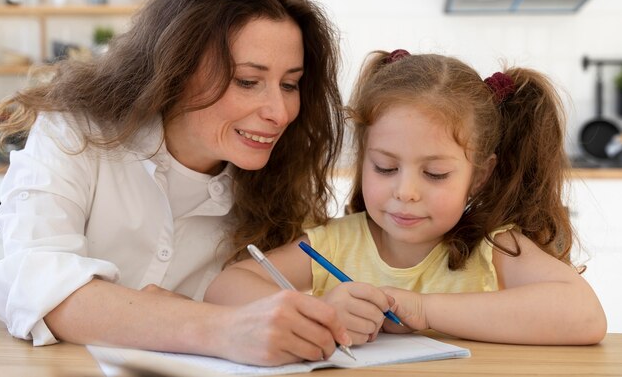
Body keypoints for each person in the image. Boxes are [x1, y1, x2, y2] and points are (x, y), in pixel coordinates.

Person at [0, 0, 354, 367]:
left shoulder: (279, 177)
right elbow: (34, 282)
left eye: (290, 85)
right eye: (248, 81)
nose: (280, 111)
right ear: (176, 67)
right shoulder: (74, 132)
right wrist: (221, 328)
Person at [205, 50, 607, 346]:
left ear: (479, 176)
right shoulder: (334, 243)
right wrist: (324, 309)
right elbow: (225, 288)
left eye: (435, 174)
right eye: (384, 167)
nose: (406, 192)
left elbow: (586, 316)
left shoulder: (495, 248)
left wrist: (424, 310)